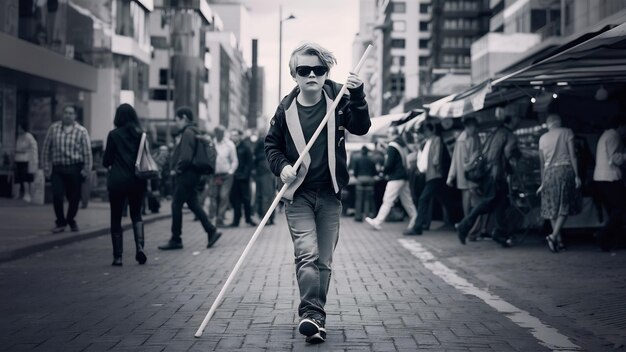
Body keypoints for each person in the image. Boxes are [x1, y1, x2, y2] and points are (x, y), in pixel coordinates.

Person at [265, 42, 370, 344]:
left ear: (326, 73)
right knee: (307, 254)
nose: (311, 74)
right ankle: (310, 314)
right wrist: (282, 166)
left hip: (329, 196)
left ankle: (316, 317)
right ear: (293, 74)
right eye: (304, 70)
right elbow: (271, 147)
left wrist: (358, 95)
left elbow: (361, 128)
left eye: (319, 69)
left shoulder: (338, 98)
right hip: (298, 196)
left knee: (323, 261)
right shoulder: (284, 110)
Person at [158, 107, 222, 250]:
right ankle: (211, 231)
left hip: (186, 174)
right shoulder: (194, 131)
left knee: (176, 205)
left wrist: (177, 169)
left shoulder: (187, 133)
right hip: (193, 175)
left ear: (184, 118)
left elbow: (186, 157)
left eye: (177, 120)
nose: (176, 123)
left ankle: (176, 239)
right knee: (193, 203)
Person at [456, 115, 521, 247]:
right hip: (496, 175)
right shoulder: (509, 135)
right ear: (512, 120)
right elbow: (508, 153)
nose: (518, 122)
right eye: (517, 119)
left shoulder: (495, 132)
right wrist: (517, 156)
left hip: (488, 174)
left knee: (500, 204)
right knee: (488, 203)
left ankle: (500, 233)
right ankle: (464, 226)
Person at [102, 104, 148, 266]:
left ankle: (118, 256)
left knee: (116, 217)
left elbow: (106, 160)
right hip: (137, 180)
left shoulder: (113, 135)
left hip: (118, 181)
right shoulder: (141, 135)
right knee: (136, 214)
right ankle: (140, 247)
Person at [42, 103, 92, 233]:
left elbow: (87, 152)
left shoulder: (81, 131)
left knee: (74, 197)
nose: (68, 115)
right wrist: (46, 168)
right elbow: (46, 149)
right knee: (57, 195)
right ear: (62, 114)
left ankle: (71, 219)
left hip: (75, 168)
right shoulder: (54, 128)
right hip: (58, 169)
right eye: (66, 113)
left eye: (71, 113)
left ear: (75, 115)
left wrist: (86, 169)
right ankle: (60, 222)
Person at [536, 114, 581, 253]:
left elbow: (542, 164)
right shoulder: (567, 132)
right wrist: (577, 175)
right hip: (565, 170)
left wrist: (542, 182)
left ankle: (559, 242)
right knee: (564, 206)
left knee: (551, 208)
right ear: (559, 122)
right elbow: (573, 155)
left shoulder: (542, 138)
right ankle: (554, 236)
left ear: (548, 124)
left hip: (549, 174)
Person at [365, 127, 417, 233]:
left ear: (393, 134)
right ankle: (416, 220)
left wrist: (383, 172)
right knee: (408, 202)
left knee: (387, 200)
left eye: (388, 133)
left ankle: (377, 222)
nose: (387, 136)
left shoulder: (393, 145)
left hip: (396, 177)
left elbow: (389, 163)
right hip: (403, 176)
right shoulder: (402, 144)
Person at [407, 122, 452, 235]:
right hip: (430, 175)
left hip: (434, 175)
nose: (425, 133)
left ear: (431, 130)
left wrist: (436, 166)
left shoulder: (436, 139)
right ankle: (450, 221)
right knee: (443, 199)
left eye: (426, 130)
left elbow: (436, 157)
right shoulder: (427, 141)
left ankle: (418, 227)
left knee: (424, 199)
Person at [446, 116, 485, 240]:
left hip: (473, 178)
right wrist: (450, 176)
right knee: (469, 207)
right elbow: (458, 162)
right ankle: (469, 230)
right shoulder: (461, 140)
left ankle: (472, 230)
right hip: (466, 177)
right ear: (468, 126)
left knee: (475, 205)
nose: (474, 129)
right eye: (473, 126)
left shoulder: (475, 138)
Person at [592, 116, 626, 252]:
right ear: (621, 125)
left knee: (614, 210)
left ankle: (612, 240)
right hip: (610, 177)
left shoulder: (606, 135)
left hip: (600, 177)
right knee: (621, 208)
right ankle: (603, 235)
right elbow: (614, 159)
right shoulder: (614, 136)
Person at [208, 125, 238, 227]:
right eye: (217, 133)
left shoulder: (229, 145)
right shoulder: (212, 143)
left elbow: (234, 160)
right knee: (213, 196)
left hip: (226, 175)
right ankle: (213, 217)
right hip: (215, 175)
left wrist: (231, 171)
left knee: (223, 196)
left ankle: (220, 219)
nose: (218, 135)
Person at [253, 129, 276, 225]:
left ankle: (266, 217)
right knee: (268, 197)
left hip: (263, 174)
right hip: (266, 174)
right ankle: (268, 218)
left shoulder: (260, 154)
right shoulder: (266, 155)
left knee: (264, 197)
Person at [350, 146, 377, 222]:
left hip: (360, 179)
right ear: (368, 152)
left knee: (359, 199)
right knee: (367, 199)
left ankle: (358, 216)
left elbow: (355, 171)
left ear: (361, 151)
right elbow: (374, 172)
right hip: (369, 179)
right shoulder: (371, 160)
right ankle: (367, 216)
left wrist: (357, 177)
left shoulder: (357, 159)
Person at [14, 122, 38, 202]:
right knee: (18, 178)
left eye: (20, 128)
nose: (19, 130)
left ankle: (27, 194)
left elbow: (33, 147)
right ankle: (17, 194)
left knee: (25, 178)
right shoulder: (19, 136)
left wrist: (34, 160)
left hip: (25, 159)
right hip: (18, 159)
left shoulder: (28, 136)